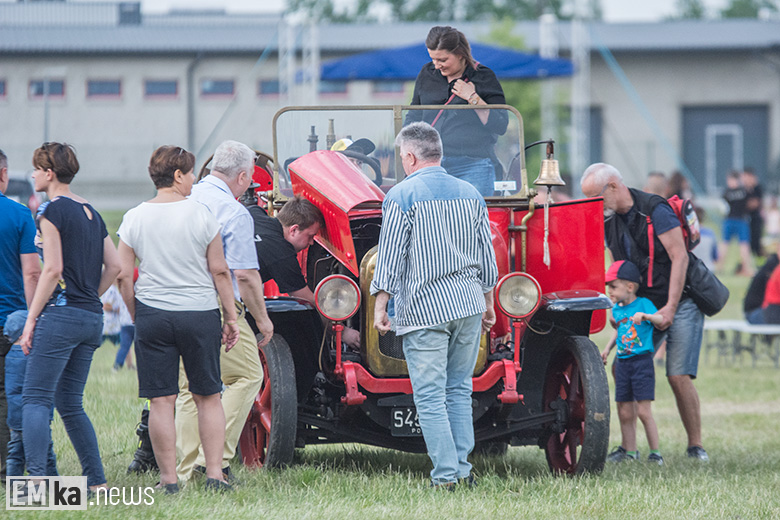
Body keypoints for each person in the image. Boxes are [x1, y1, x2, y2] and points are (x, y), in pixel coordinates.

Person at [371, 122, 498, 488]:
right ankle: (463, 471)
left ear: (410, 157)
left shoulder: (401, 196)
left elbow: (390, 256)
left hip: (425, 308)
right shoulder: (471, 193)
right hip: (469, 303)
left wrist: (381, 304)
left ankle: (445, 476)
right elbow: (486, 256)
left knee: (429, 396)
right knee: (459, 390)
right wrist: (488, 302)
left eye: (401, 157)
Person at [117, 145, 239, 493]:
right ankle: (214, 474)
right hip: (199, 313)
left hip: (153, 313)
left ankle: (169, 480)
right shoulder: (202, 214)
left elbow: (123, 275)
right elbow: (219, 270)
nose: (193, 180)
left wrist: (136, 312)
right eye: (190, 173)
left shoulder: (134, 217)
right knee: (208, 396)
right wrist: (230, 317)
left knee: (161, 400)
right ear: (177, 175)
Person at [581, 162, 709, 462]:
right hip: (643, 304)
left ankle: (695, 445)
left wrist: (670, 307)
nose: (594, 205)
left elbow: (680, 257)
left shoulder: (655, 210)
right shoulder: (610, 221)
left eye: (595, 197)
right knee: (621, 366)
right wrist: (620, 305)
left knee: (677, 374)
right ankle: (629, 449)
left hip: (681, 299)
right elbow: (618, 268)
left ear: (614, 186)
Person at [19, 142, 121, 492]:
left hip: (60, 316)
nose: (33, 174)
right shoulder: (91, 211)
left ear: (49, 173)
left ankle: (38, 485)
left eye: (36, 169)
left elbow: (53, 269)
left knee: (35, 399)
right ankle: (96, 482)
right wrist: (90, 294)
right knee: (70, 403)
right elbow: (116, 266)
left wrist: (31, 318)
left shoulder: (50, 210)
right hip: (90, 318)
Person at [175, 140, 274, 484]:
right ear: (243, 176)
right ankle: (213, 459)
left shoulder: (184, 198)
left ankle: (186, 469)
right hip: (216, 305)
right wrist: (261, 319)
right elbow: (244, 274)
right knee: (247, 376)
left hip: (176, 301)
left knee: (189, 387)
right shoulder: (234, 212)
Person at [405, 25, 508, 197]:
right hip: (430, 164)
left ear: (460, 54)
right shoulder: (426, 73)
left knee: (472, 211)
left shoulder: (483, 76)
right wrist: (407, 145)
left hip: (473, 163)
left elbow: (501, 125)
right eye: (433, 59)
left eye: (443, 60)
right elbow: (414, 113)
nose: (437, 65)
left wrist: (472, 97)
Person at [0, 148, 41, 484]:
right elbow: (32, 272)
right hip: (9, 320)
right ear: (3, 174)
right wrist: (33, 317)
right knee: (7, 394)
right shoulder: (19, 214)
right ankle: (6, 469)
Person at [600, 261, 664, 465]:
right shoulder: (616, 309)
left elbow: (661, 319)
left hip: (641, 363)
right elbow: (619, 331)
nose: (609, 291)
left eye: (613, 286)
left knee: (644, 412)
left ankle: (655, 453)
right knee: (625, 411)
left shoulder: (643, 304)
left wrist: (646, 316)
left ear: (629, 287)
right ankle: (630, 451)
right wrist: (607, 349)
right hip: (623, 363)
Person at [3, 310, 58, 479]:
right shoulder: (33, 356)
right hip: (36, 418)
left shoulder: (9, 355)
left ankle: (14, 485)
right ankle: (55, 485)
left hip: (15, 416)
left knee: (15, 453)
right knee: (46, 452)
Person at [719, 170, 753, 277]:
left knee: (729, 243)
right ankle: (745, 268)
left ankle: (720, 267)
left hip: (732, 220)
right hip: (740, 220)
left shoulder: (726, 192)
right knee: (741, 244)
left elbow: (723, 207)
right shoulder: (744, 191)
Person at [742, 168, 764, 257]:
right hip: (745, 219)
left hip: (755, 218)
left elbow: (755, 203)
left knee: (756, 240)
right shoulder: (743, 189)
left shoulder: (757, 188)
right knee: (746, 242)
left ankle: (758, 257)